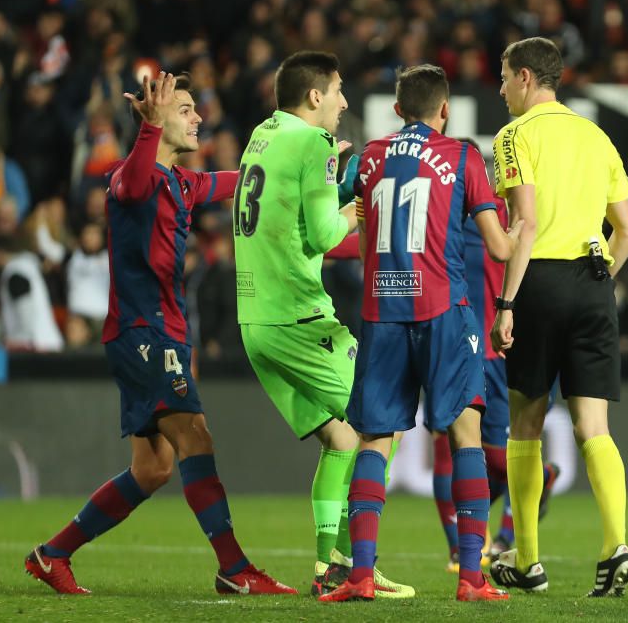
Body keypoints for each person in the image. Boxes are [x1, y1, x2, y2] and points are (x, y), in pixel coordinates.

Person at [25, 72, 295, 595]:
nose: (198, 118)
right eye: (187, 109)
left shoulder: (180, 182)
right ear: (157, 118)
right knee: (196, 437)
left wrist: (306, 163)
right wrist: (148, 130)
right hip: (142, 333)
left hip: (162, 333)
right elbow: (130, 183)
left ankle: (52, 554)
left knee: (152, 470)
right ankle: (235, 569)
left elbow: (242, 181)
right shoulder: (132, 176)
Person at [320, 63, 519, 603]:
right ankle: (471, 577)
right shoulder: (462, 157)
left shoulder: (368, 157)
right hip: (443, 311)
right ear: (446, 110)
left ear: (396, 108)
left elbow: (356, 233)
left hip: (381, 310)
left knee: (374, 440)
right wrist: (526, 223)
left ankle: (361, 573)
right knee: (465, 435)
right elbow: (499, 249)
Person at [232, 51, 411, 599]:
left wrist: (330, 183)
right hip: (298, 317)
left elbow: (293, 220)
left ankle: (328, 565)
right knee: (383, 420)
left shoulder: (263, 134)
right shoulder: (311, 144)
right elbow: (330, 236)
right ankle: (359, 563)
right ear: (315, 96)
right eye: (337, 91)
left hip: (254, 320)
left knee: (340, 437)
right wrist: (355, 198)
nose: (344, 102)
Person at [488, 37, 628, 598]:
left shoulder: (515, 136)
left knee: (525, 422)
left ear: (526, 78)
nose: (502, 89)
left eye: (505, 78)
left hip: (539, 282)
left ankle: (527, 559)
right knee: (593, 428)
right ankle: (615, 545)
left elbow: (524, 224)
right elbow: (627, 231)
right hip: (594, 282)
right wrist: (600, 284)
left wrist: (506, 303)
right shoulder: (595, 135)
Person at [433, 141, 560, 573]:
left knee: (500, 456)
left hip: (500, 347)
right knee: (447, 445)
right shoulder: (453, 216)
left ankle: (516, 519)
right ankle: (459, 548)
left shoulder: (513, 221)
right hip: (453, 341)